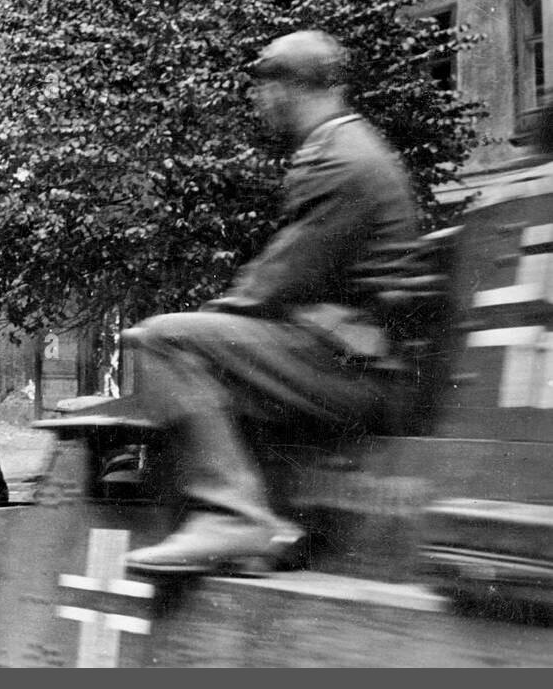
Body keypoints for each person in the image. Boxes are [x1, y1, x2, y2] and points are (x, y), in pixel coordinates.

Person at [120, 30, 421, 576]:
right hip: (345, 360)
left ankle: (234, 514)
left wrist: (207, 323)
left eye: (263, 88)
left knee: (162, 339)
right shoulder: (348, 148)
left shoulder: (341, 160)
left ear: (287, 88)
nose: (258, 103)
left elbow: (276, 284)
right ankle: (266, 523)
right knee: (203, 343)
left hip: (351, 369)